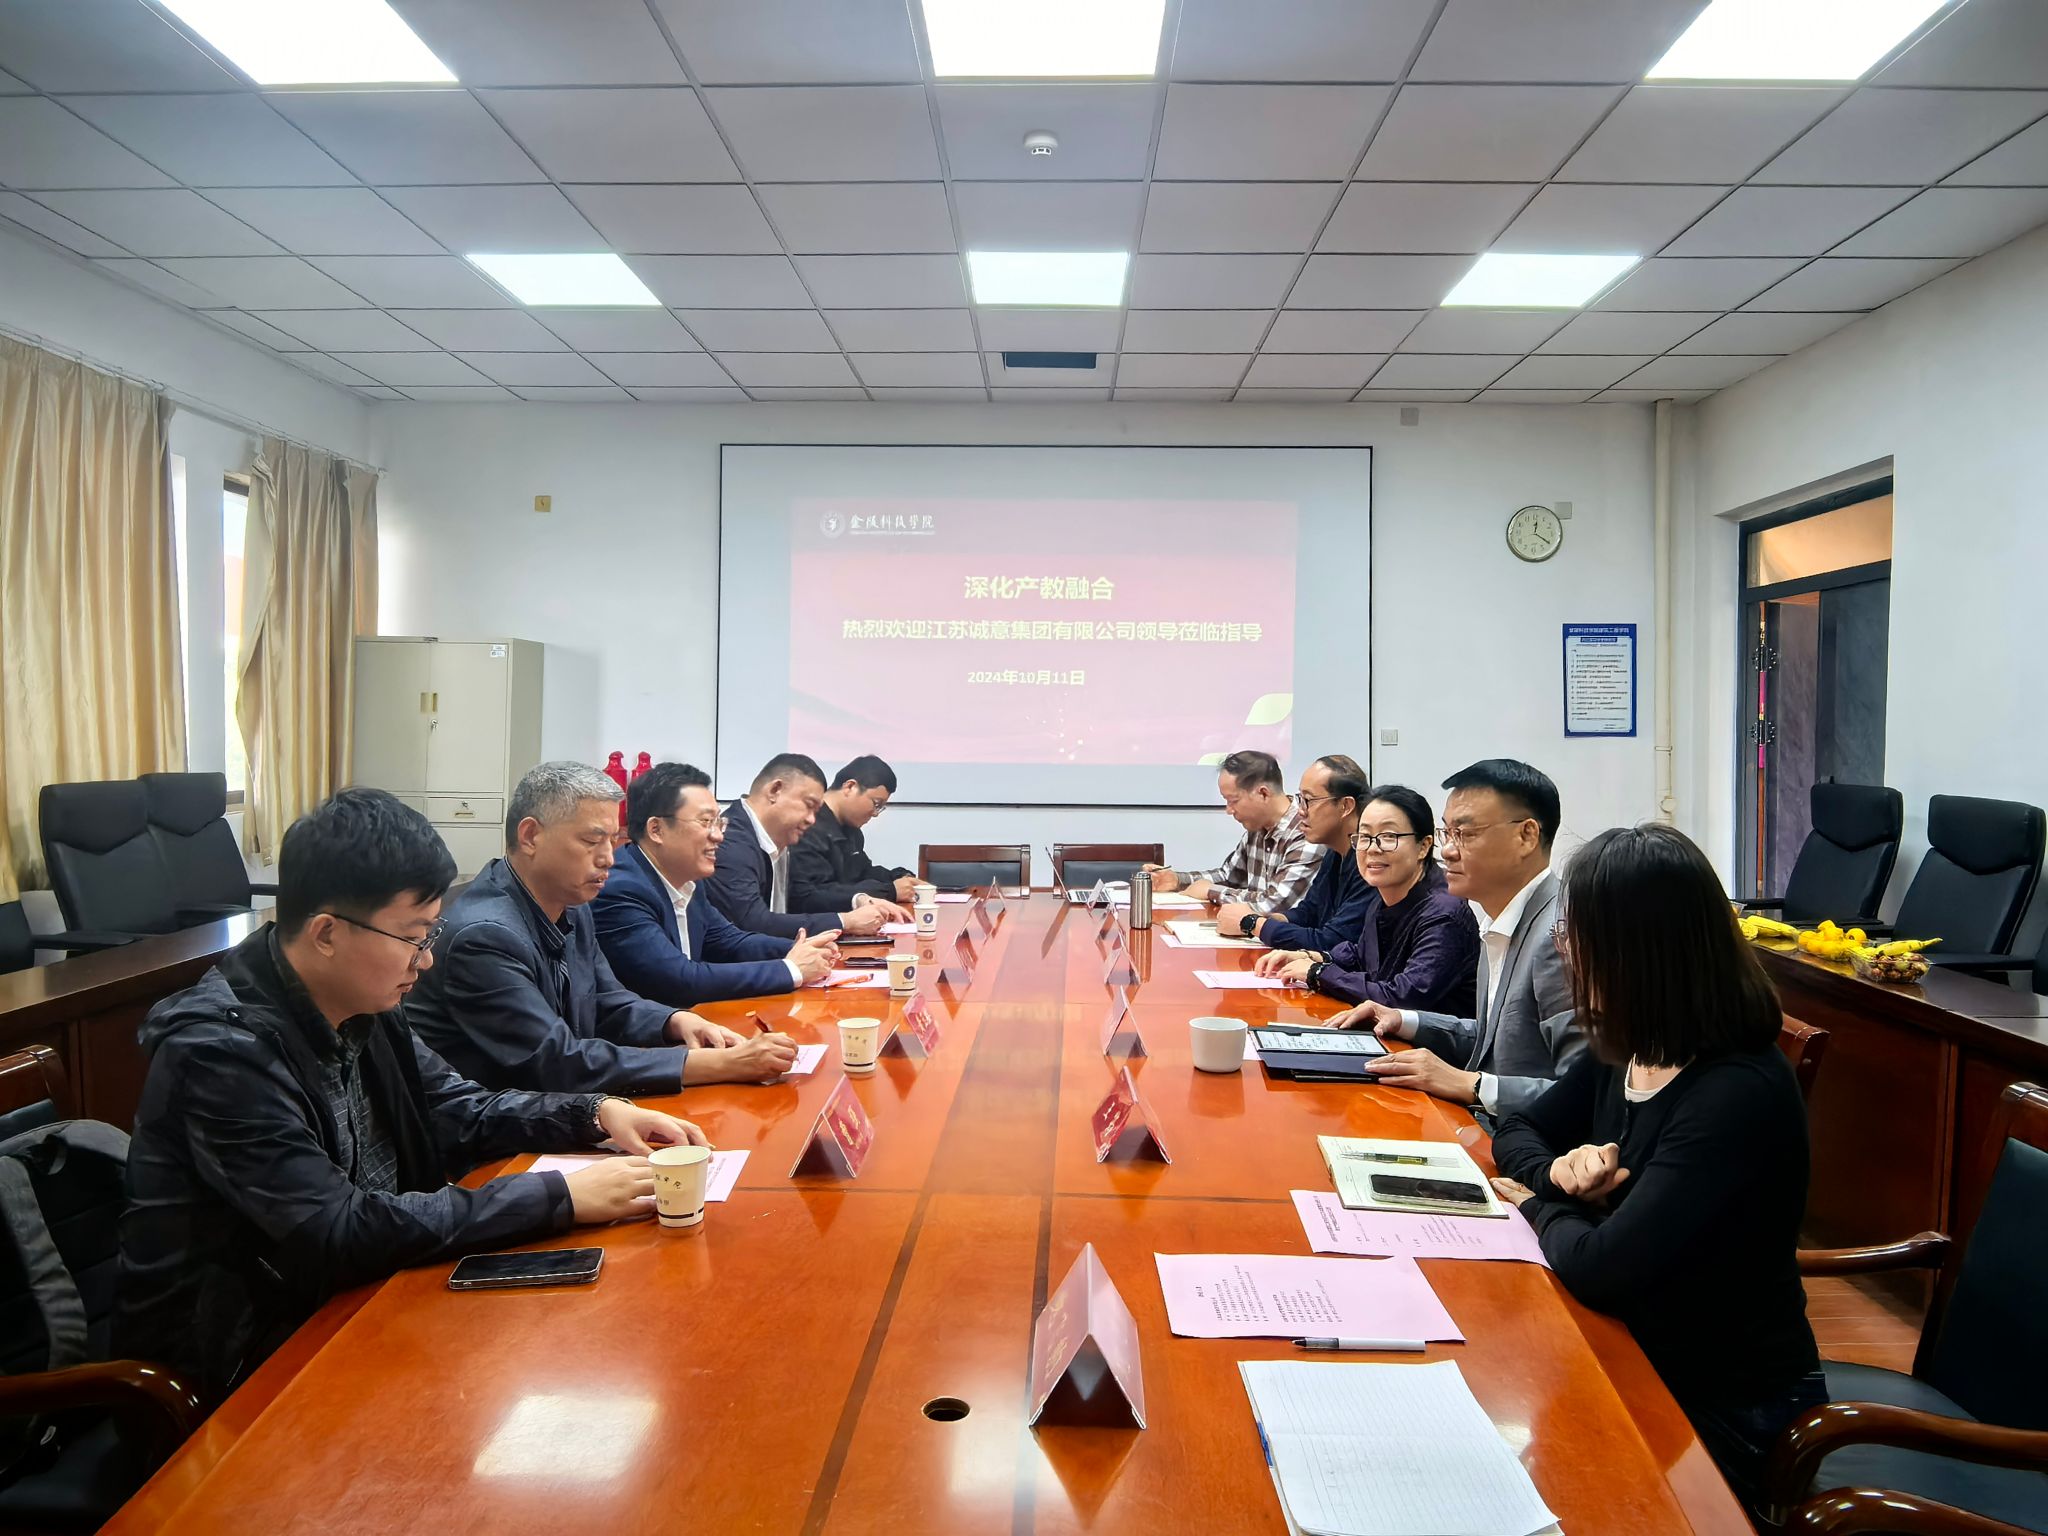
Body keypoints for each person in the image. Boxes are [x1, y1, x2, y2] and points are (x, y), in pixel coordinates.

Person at [114, 788, 709, 1404]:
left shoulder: (364, 998)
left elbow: (458, 1108)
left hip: (367, 1298)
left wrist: (594, 1114)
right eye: (414, 937)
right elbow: (335, 1229)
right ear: (326, 933)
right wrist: (557, 1195)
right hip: (245, 1366)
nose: (425, 963)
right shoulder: (220, 1052)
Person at [1488, 823, 1823, 1509]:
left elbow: (1602, 1268)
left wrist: (1535, 1202)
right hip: (1633, 1345)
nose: (1565, 951)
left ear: (1635, 951)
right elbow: (1518, 1129)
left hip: (1725, 1403)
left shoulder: (1734, 1090)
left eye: (1576, 936)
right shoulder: (1632, 1045)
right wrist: (1559, 1174)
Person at [408, 761, 799, 1094]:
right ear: (530, 836)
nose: (609, 858)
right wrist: (718, 1065)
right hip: (502, 1132)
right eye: (592, 841)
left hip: (562, 1107)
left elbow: (607, 1000)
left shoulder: (573, 904)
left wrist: (675, 1021)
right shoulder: (484, 935)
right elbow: (558, 1060)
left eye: (613, 841)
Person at [1332, 758, 1583, 1123]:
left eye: (1465, 834)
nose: (1448, 850)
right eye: (1447, 833)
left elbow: (1586, 1094)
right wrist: (1403, 1019)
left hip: (1527, 1142)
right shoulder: (1499, 920)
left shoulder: (1560, 937)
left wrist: (1470, 1084)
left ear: (1527, 836)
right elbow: (1496, 1041)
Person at [595, 761, 841, 1008]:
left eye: (718, 823)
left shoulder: (688, 880)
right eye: (705, 822)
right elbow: (680, 980)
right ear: (656, 829)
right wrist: (791, 969)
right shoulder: (621, 890)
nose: (718, 836)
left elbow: (730, 942)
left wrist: (800, 948)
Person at [1253, 783, 1478, 1014]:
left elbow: (1402, 998)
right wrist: (1310, 956)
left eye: (1388, 836)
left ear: (1424, 846)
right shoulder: (1383, 896)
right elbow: (1362, 956)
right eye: (1365, 836)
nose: (1372, 848)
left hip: (1423, 1037)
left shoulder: (1444, 914)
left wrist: (1317, 973)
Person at [704, 752, 897, 940]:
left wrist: (857, 899)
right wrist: (844, 922)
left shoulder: (780, 838)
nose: (812, 819)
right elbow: (753, 923)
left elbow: (800, 896)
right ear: (775, 791)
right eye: (808, 805)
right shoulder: (732, 842)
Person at [1215, 754, 1373, 950]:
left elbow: (1331, 941)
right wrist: (1270, 920)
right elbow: (1309, 912)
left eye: (1308, 800)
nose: (1301, 810)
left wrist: (1253, 924)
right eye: (1300, 799)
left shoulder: (1370, 861)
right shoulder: (1335, 853)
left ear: (1345, 806)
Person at [1141, 749, 1320, 910]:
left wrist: (1211, 891)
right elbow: (1229, 876)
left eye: (1233, 801)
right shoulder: (1257, 827)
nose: (1229, 810)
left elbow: (1274, 903)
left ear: (1263, 793)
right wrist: (1177, 880)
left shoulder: (1306, 831)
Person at [790, 754, 917, 912]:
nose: (875, 814)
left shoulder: (852, 831)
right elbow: (815, 895)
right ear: (850, 787)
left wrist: (900, 877)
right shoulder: (807, 826)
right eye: (876, 804)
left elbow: (863, 873)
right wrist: (890, 891)